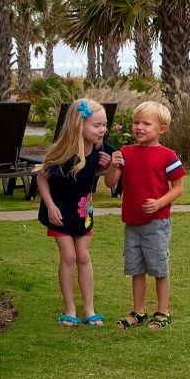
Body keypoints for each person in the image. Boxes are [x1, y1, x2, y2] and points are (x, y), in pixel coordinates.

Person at [105, 101, 185, 330]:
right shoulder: (126, 153)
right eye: (136, 122)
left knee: (159, 268)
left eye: (146, 123)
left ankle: (162, 312)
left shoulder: (167, 156)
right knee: (136, 269)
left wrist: (159, 203)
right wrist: (113, 165)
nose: (139, 127)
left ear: (162, 129)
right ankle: (139, 312)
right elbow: (111, 182)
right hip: (132, 223)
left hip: (157, 223)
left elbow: (178, 187)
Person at [36, 98, 114, 327]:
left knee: (83, 257)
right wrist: (50, 205)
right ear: (79, 125)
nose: (103, 130)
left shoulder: (100, 148)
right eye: (97, 125)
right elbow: (42, 177)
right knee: (68, 257)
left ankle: (89, 310)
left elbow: (105, 168)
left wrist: (107, 165)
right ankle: (70, 309)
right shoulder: (63, 151)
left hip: (82, 211)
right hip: (59, 212)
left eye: (104, 124)